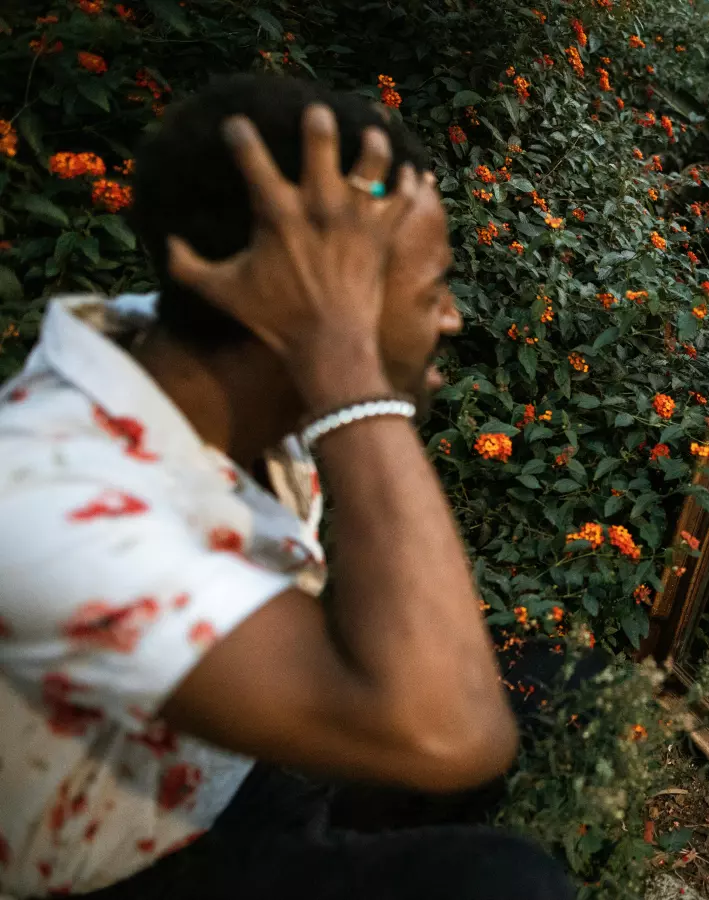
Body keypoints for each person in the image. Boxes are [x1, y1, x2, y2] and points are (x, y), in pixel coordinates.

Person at [0, 74, 574, 900]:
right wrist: (352, 374)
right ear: (309, 313)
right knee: (502, 883)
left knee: (543, 683)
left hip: (221, 770)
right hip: (120, 867)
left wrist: (338, 363)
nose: (451, 318)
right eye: (432, 288)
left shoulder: (200, 363)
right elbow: (452, 732)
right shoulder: (55, 500)